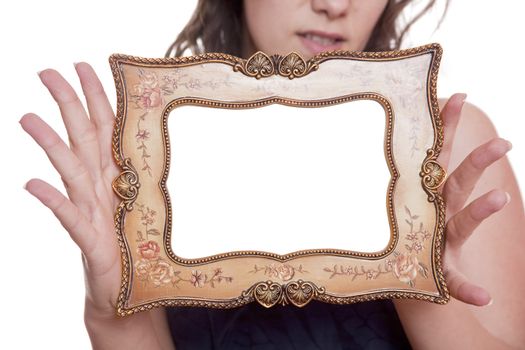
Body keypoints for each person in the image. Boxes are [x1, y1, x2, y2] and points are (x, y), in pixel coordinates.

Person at [19, 0, 525, 349]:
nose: (333, 3)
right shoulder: (154, 149)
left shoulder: (449, 144)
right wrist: (112, 319)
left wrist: (417, 271)